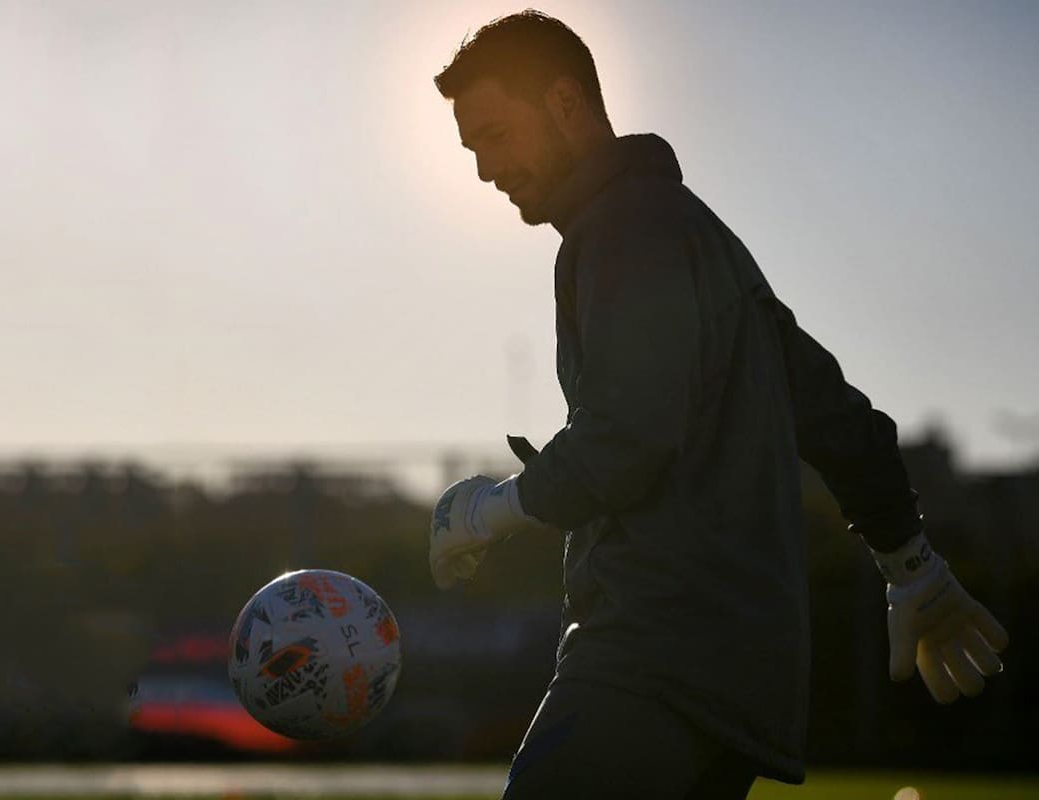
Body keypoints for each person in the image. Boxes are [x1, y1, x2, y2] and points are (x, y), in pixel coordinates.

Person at [425, 10, 1010, 799]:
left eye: (496, 134)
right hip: (741, 685)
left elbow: (629, 437)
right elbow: (840, 418)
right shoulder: (701, 236)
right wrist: (915, 569)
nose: (486, 170)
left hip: (649, 656)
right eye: (471, 150)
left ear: (566, 103)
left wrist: (487, 512)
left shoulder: (620, 227)